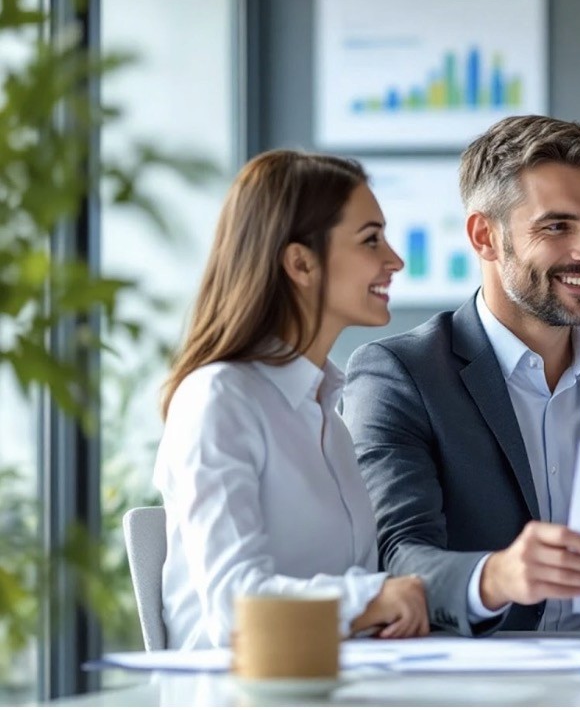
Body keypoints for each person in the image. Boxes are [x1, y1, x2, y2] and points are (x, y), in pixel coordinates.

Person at [343, 115, 580, 636]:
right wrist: (494, 577)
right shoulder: (399, 376)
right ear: (485, 236)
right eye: (557, 227)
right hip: (476, 681)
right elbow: (396, 557)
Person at [156, 150, 429, 650]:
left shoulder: (328, 413)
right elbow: (236, 609)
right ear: (300, 262)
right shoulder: (218, 400)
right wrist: (372, 599)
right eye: (371, 240)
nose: (394, 260)